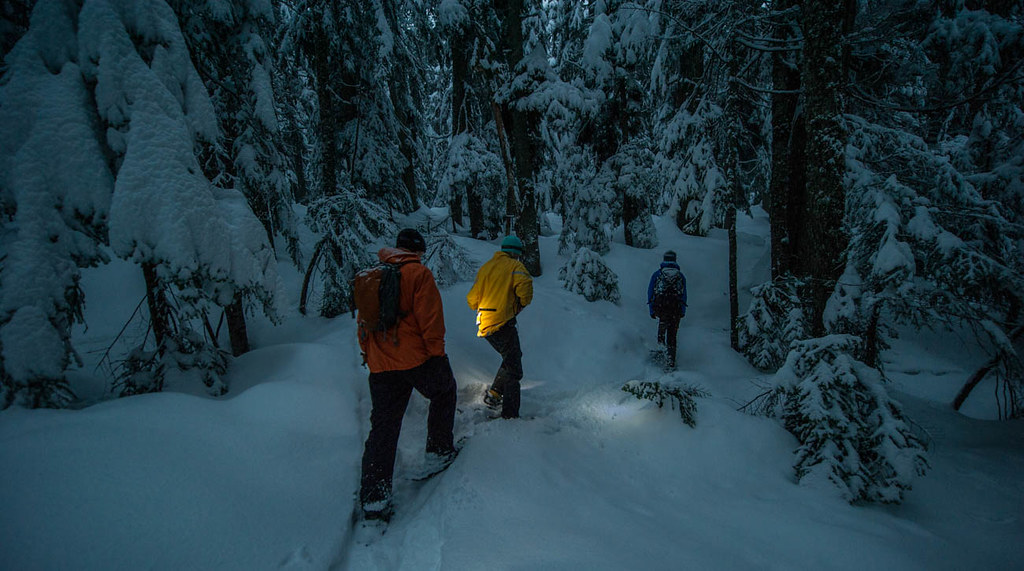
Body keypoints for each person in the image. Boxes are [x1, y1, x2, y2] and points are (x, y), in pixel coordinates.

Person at [357, 228, 457, 523]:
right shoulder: (418, 274)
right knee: (445, 391)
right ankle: (439, 451)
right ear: (418, 251)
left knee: (383, 427)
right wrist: (437, 355)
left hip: (380, 364)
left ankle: (374, 499)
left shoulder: (373, 273)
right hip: (415, 358)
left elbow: (363, 323)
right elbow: (431, 320)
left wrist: (369, 355)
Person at [466, 235, 533, 419]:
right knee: (514, 370)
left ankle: (495, 394)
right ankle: (510, 416)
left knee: (511, 356)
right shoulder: (515, 267)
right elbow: (526, 292)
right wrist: (519, 303)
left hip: (484, 324)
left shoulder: (486, 267)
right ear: (515, 254)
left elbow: (471, 300)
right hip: (503, 323)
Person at [647, 250, 687, 370]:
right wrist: (683, 311)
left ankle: (660, 355)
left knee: (662, 331)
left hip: (661, 308)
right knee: (672, 335)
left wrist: (651, 310)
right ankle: (671, 361)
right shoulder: (680, 276)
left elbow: (650, 292)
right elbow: (684, 294)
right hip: (676, 309)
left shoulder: (657, 274)